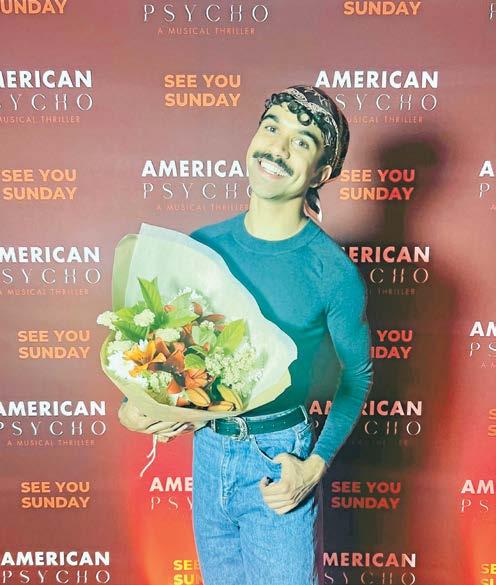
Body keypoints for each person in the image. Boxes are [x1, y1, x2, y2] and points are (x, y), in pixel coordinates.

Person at [118, 85, 374, 585]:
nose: (277, 148)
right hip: (209, 454)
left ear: (322, 172)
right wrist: (139, 408)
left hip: (279, 460)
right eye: (272, 127)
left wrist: (314, 465)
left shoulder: (331, 270)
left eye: (301, 142)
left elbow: (357, 376)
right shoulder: (201, 247)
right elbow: (170, 354)